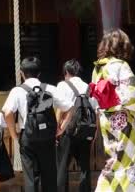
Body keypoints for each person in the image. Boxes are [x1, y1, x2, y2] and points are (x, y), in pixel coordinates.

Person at [2, 56, 72, 192]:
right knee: (49, 174)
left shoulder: (17, 90)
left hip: (27, 136)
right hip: (47, 136)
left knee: (30, 176)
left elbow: (7, 112)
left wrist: (14, 134)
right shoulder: (50, 88)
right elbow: (70, 107)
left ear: (21, 73)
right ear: (39, 73)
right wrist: (61, 129)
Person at [91, 29, 135, 192]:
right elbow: (132, 95)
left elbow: (94, 97)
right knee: (126, 161)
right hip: (122, 119)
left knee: (113, 158)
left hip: (106, 117)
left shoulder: (98, 67)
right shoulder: (121, 65)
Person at [56, 59, 99, 192]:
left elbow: (59, 110)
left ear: (67, 72)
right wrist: (94, 134)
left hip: (66, 131)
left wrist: (57, 131)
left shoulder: (62, 85)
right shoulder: (88, 87)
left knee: (62, 167)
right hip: (85, 131)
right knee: (84, 167)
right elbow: (96, 112)